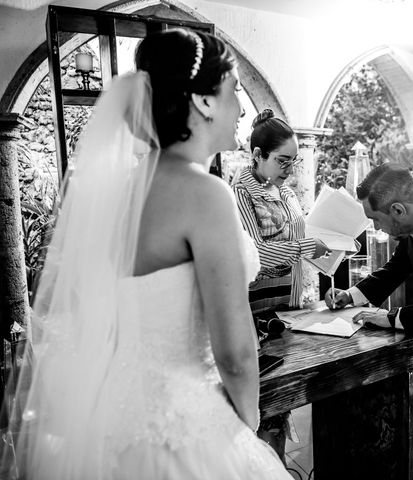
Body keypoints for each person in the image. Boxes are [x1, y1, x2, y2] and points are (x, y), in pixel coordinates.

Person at [1, 29, 292, 479]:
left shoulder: (120, 193)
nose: (241, 108)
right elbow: (235, 352)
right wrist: (245, 429)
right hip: (184, 426)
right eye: (234, 91)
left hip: (114, 423)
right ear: (204, 102)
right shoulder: (205, 193)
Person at [232, 109, 330, 462]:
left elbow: (296, 235)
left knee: (282, 399)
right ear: (257, 155)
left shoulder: (284, 191)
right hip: (257, 304)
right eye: (282, 160)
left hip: (288, 300)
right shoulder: (240, 192)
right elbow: (254, 251)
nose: (289, 169)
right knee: (260, 396)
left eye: (294, 161)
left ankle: (276, 463)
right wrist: (305, 246)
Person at [324, 163, 413, 338]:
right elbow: (399, 265)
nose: (375, 227)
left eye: (375, 219)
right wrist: (350, 295)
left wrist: (394, 317)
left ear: (398, 210)